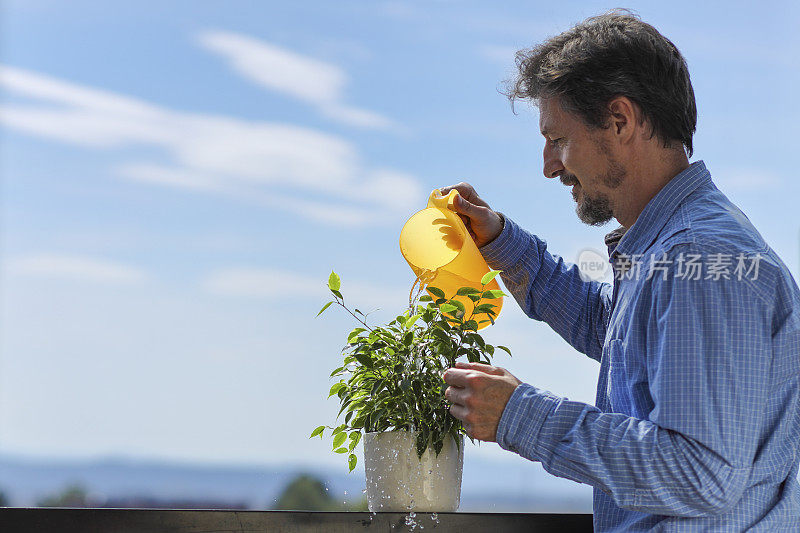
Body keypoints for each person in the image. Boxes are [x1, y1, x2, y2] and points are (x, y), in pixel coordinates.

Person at [441, 10, 800, 531]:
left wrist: (520, 415)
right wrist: (500, 240)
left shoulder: (693, 257)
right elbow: (612, 329)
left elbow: (700, 474)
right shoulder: (676, 248)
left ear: (620, 121)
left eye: (558, 139)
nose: (548, 166)